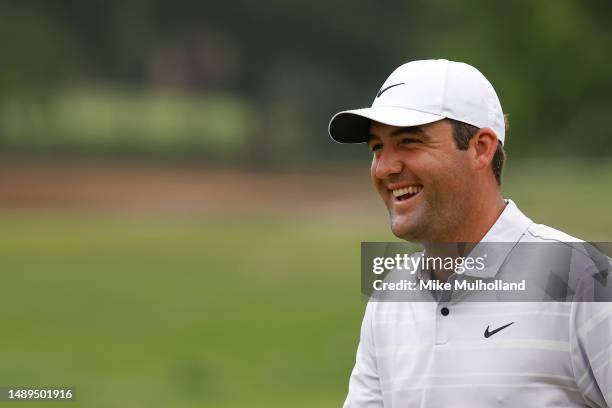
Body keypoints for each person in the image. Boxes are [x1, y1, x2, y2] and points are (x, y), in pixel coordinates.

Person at [328, 59, 612, 407]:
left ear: (481, 148)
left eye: (410, 142)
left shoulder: (587, 280)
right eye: (377, 148)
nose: (385, 167)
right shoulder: (389, 300)